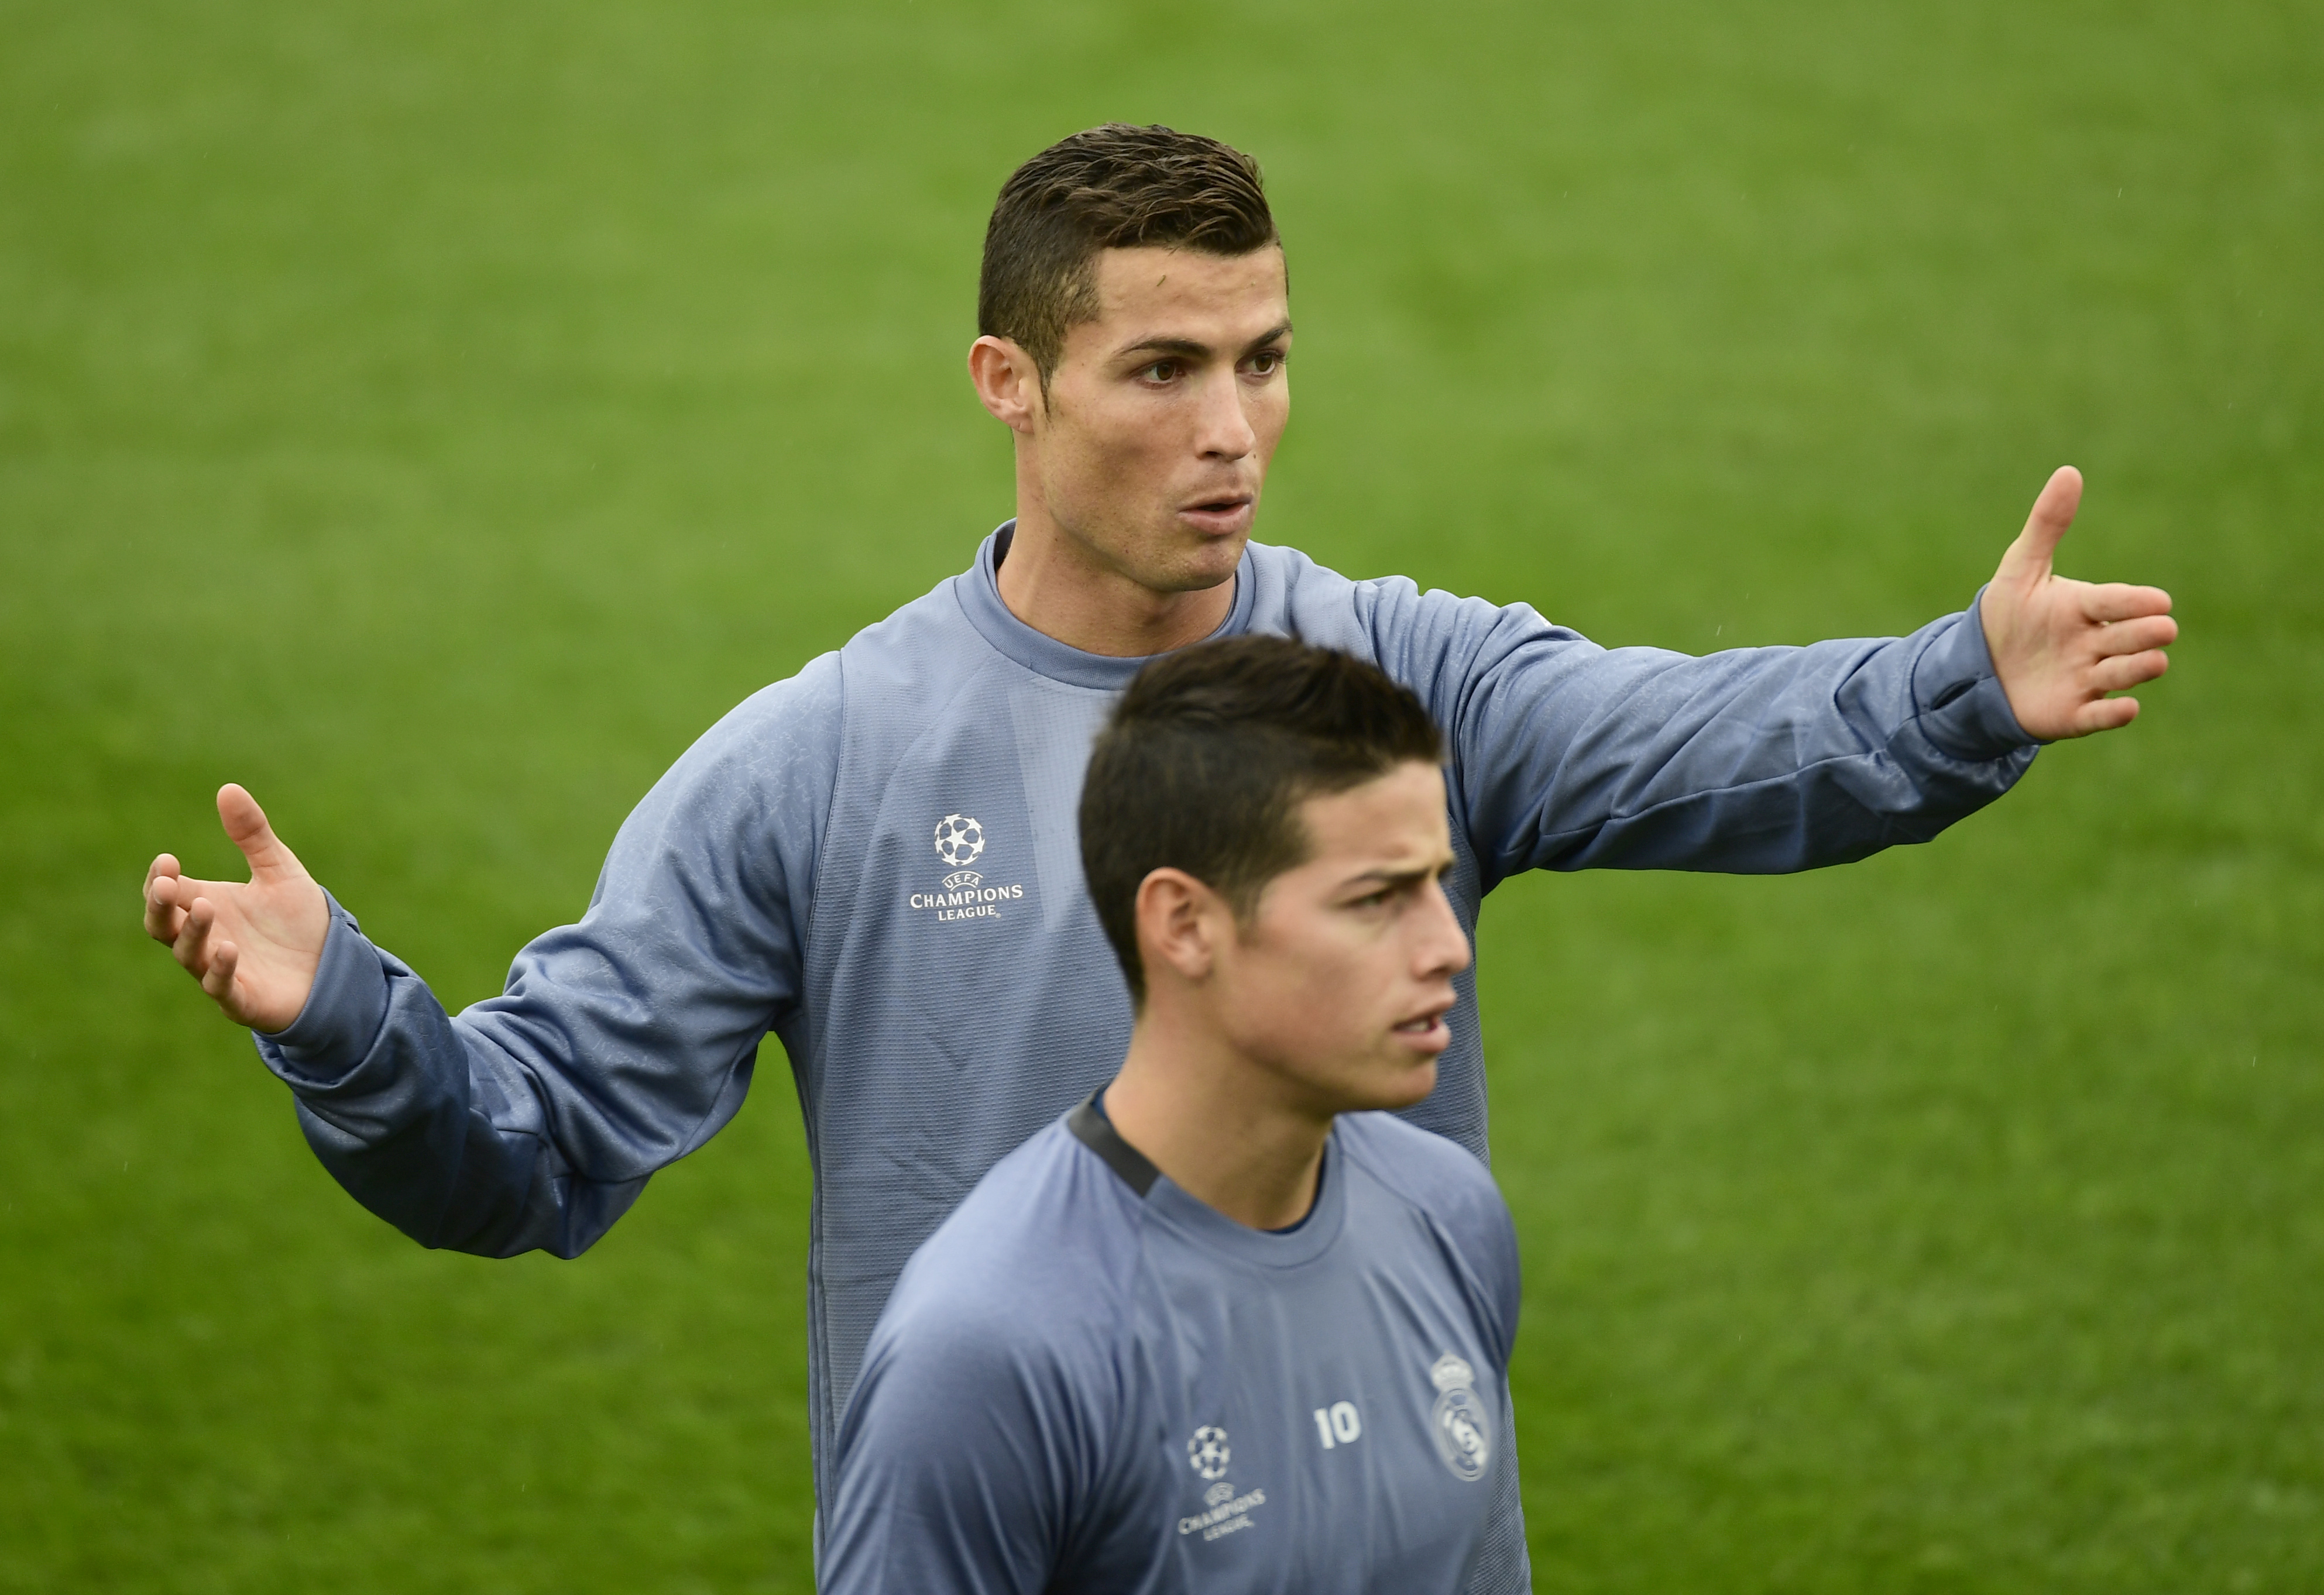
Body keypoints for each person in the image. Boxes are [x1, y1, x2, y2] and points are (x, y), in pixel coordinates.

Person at [138, 124, 2178, 1582]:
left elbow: (1700, 740)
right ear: (1006, 386)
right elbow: (533, 1148)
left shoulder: (1398, 673)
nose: (1235, 432)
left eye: (1265, 358)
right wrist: (351, 1023)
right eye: (1166, 369)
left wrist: (1955, 689)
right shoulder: (823, 763)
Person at [821, 635, 1520, 1593]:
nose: (1449, 947)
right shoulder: (990, 1348)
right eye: (1375, 899)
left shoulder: (1452, 1215)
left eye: (1437, 885)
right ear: (1185, 925)